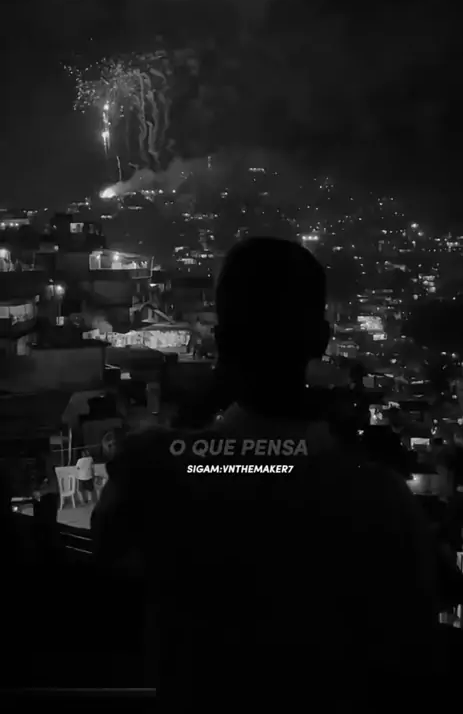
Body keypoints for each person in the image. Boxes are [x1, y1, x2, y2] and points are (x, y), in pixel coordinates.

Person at [92, 238, 440, 702]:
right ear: (321, 339)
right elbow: (414, 657)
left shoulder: (152, 470)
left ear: (223, 342)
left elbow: (106, 571)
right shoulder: (380, 501)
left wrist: (199, 409)